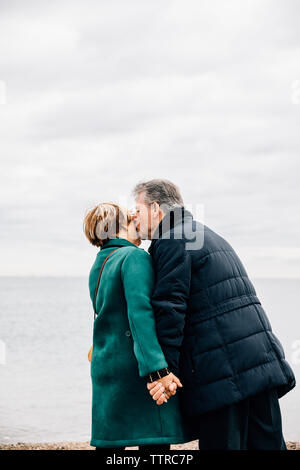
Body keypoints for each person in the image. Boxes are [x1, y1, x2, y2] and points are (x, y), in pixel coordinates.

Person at [133, 178, 296, 450]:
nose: (134, 217)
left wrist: (164, 371)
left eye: (137, 209)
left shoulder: (171, 239)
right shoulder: (206, 233)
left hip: (221, 373)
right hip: (259, 361)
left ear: (156, 209)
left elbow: (170, 307)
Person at [83, 202, 195, 451]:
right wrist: (157, 369)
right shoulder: (134, 257)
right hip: (134, 369)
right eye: (131, 219)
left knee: (112, 446)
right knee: (152, 445)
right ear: (119, 227)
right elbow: (140, 314)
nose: (137, 221)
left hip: (105, 366)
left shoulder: (100, 262)